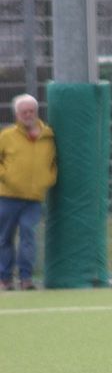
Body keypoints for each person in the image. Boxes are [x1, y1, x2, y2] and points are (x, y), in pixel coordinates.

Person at [0, 94, 56, 291]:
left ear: (36, 112)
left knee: (28, 235)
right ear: (17, 114)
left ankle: (26, 278)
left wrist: (48, 179)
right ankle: (5, 279)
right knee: (4, 238)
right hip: (7, 197)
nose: (28, 115)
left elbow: (53, 163)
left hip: (33, 199)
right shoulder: (6, 136)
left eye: (31, 111)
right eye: (24, 112)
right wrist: (6, 176)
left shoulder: (48, 136)